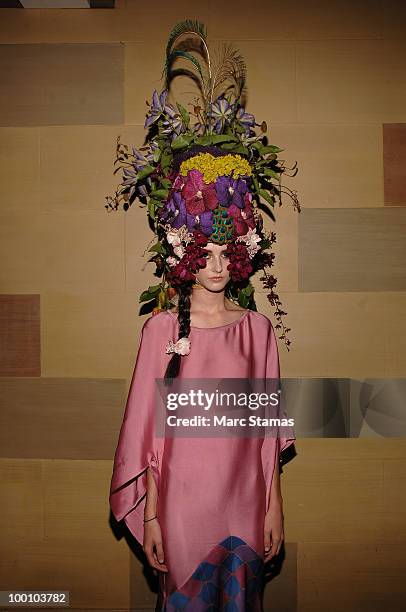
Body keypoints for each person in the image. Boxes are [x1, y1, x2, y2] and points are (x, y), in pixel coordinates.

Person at [107, 19, 299, 611]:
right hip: (182, 509)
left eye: (226, 252)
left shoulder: (258, 332)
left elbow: (268, 438)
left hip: (244, 503)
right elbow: (146, 436)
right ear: (185, 252)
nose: (216, 265)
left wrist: (274, 504)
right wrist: (154, 517)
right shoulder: (161, 331)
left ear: (241, 253)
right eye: (204, 252)